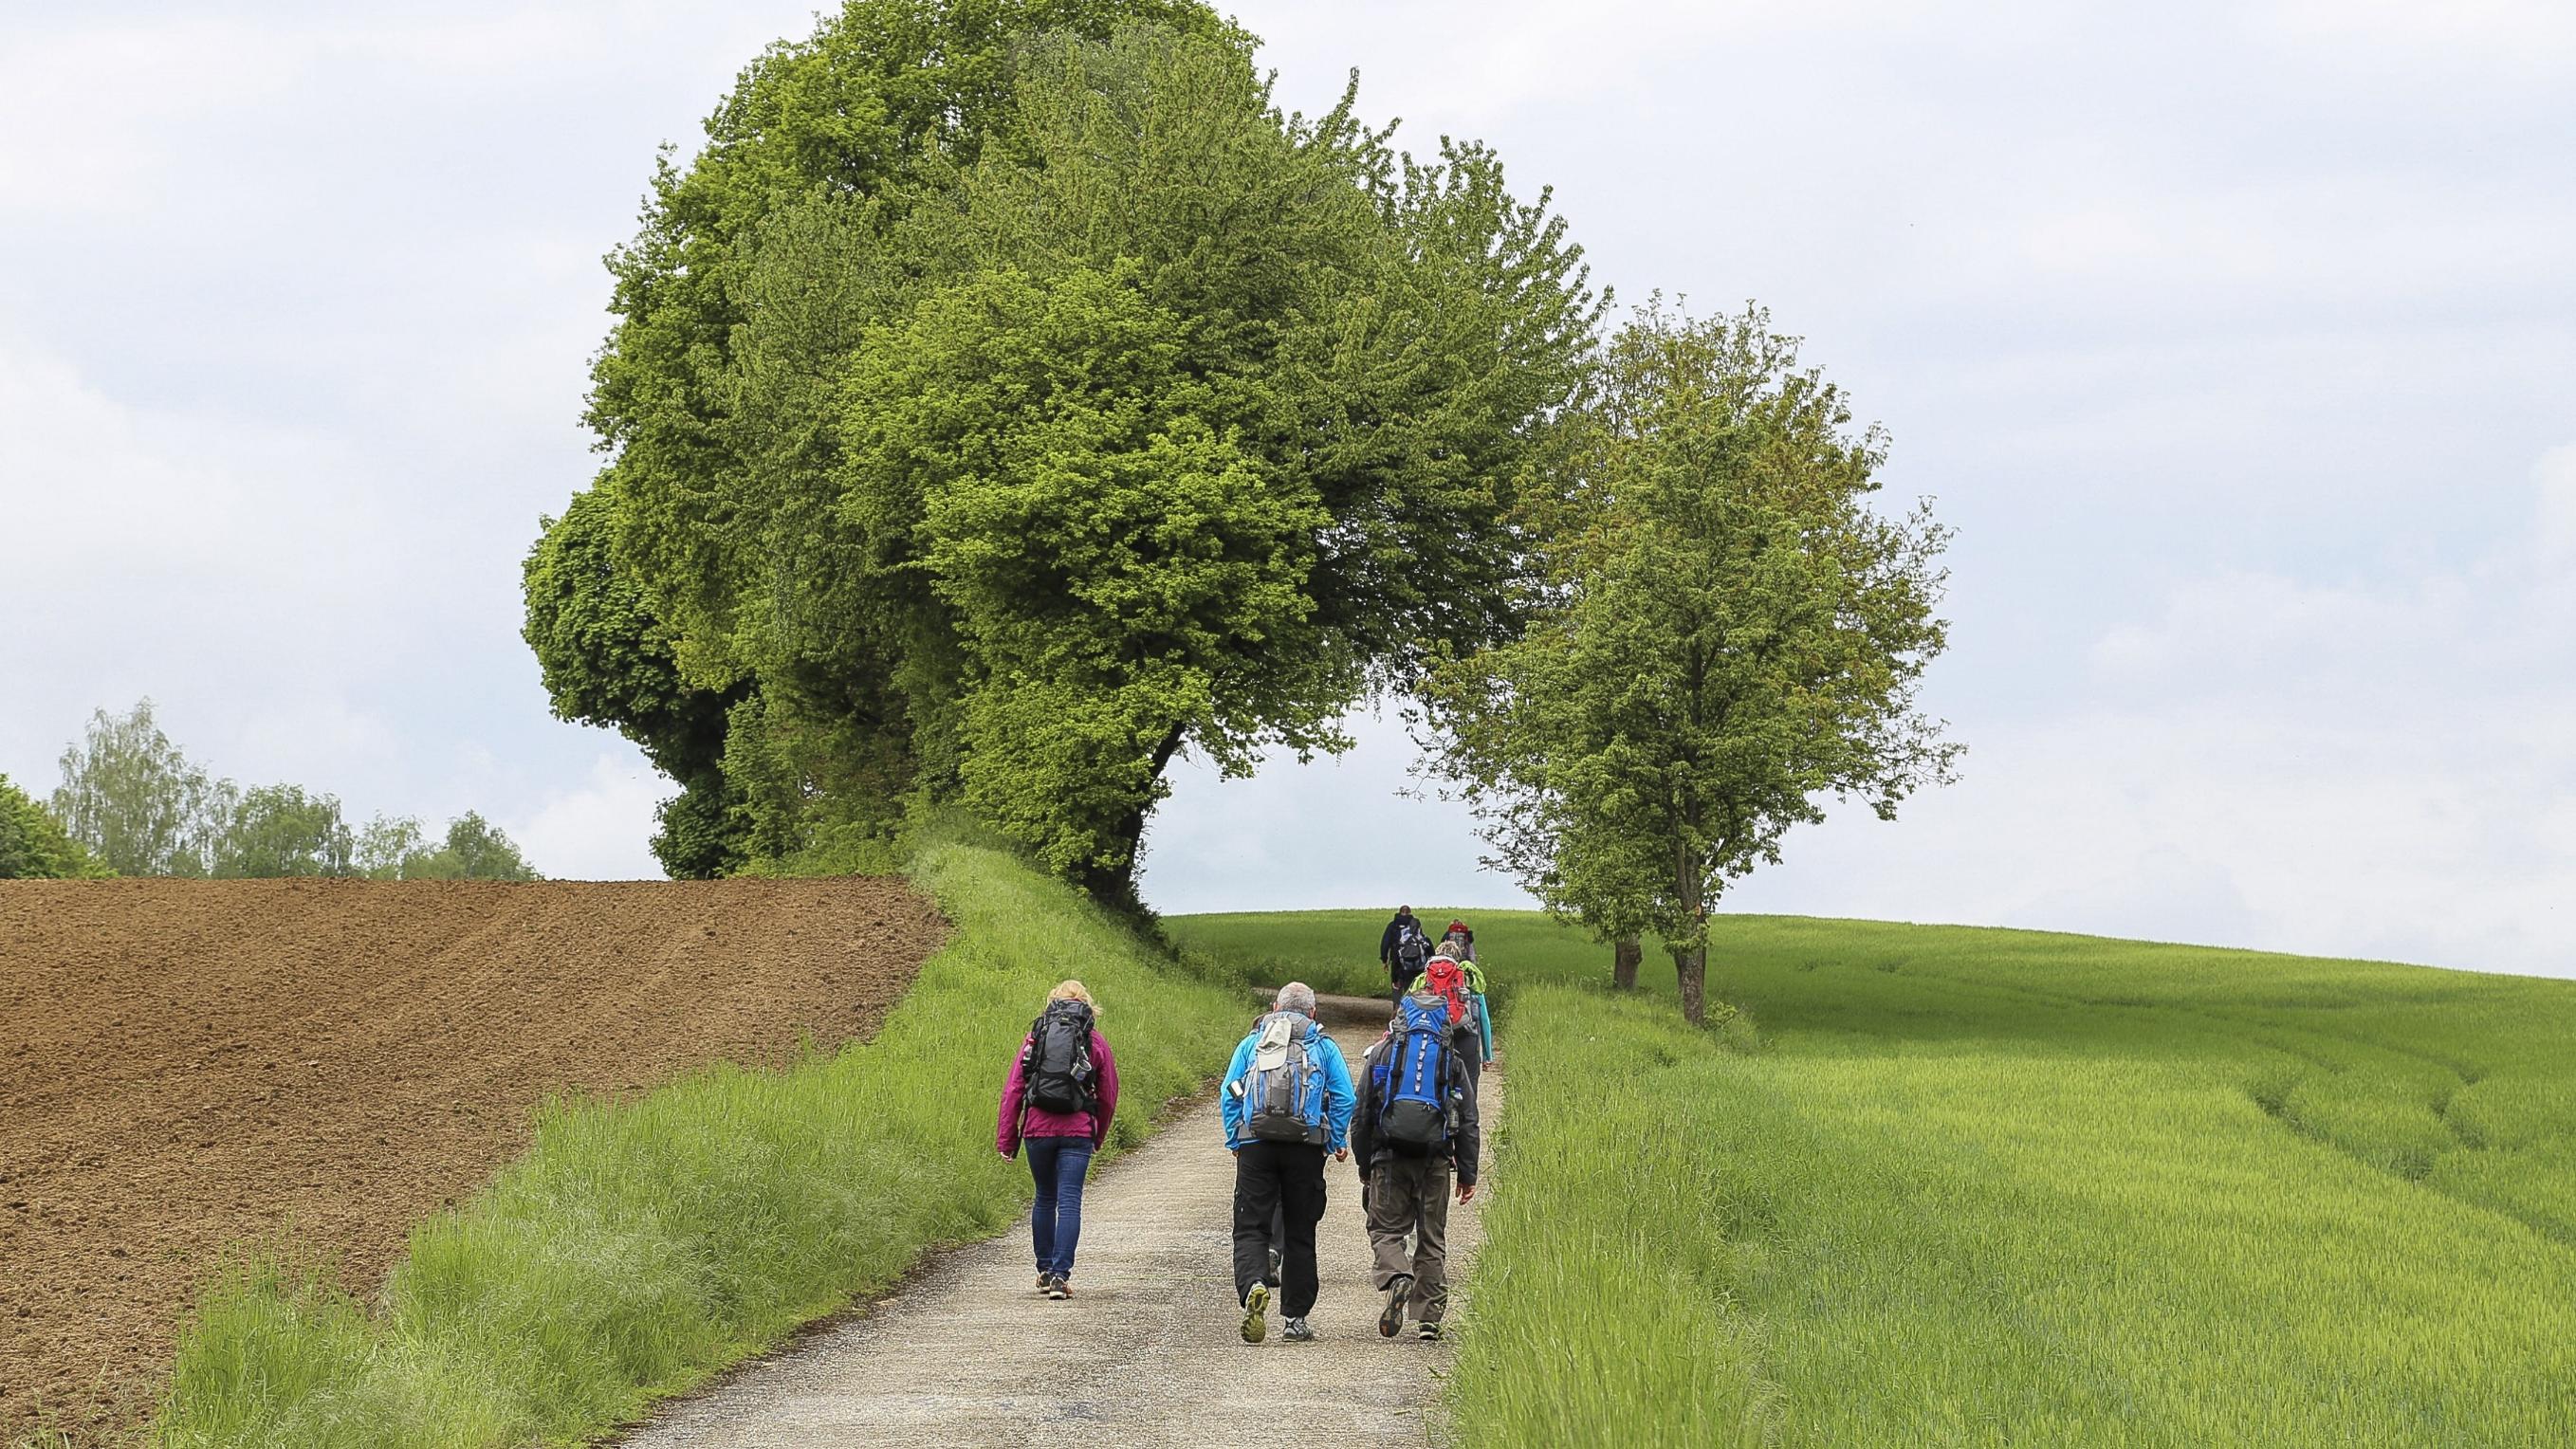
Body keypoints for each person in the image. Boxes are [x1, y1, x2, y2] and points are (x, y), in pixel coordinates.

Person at [1222, 981, 1354, 1345]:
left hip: (1256, 1146)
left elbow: (1230, 1090)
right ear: (1312, 1013)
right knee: (1300, 1233)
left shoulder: (1253, 1043)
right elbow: (1345, 1097)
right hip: (1304, 1148)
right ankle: (1295, 1319)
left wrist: (1236, 1137)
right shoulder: (1323, 1046)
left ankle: (1254, 1286)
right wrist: (1335, 1140)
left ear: (1276, 1007)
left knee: (1251, 1226)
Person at [1352, 992, 1481, 1340]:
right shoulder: (1451, 1061)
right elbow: (1468, 1120)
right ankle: (1429, 1320)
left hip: (1389, 1158)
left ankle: (1397, 1276)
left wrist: (1366, 1163)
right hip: (1435, 1160)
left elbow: (1362, 1112)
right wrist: (1468, 1173)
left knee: (1385, 1230)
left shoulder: (1382, 1054)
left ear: (1400, 1019)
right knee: (1432, 1238)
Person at [997, 981, 1119, 1301]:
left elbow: (1014, 1090)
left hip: (1037, 1130)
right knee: (1069, 1202)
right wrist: (1098, 1134)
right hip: (1077, 1131)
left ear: (1052, 1005)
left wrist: (1008, 1140)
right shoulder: (1095, 1041)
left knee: (1044, 1198)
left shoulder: (1035, 1038)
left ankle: (1045, 1268)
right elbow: (1107, 1094)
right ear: (1087, 1008)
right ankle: (1061, 1278)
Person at [1410, 946, 1495, 1081]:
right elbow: (1484, 1019)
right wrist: (1487, 1055)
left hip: (1433, 1038)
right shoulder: (1467, 979)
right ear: (1457, 959)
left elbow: (1409, 1010)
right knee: (1469, 1083)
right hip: (1465, 1036)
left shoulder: (1425, 979)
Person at [1380, 906, 1430, 1007]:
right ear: (1410, 912)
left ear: (1399, 912)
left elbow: (1385, 944)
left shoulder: (1392, 925)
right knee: (1412, 989)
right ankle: (1412, 1010)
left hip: (1397, 961)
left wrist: (1384, 960)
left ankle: (1396, 1008)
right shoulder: (1414, 924)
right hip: (1416, 965)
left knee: (1397, 986)